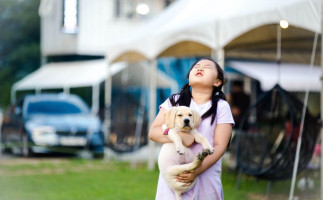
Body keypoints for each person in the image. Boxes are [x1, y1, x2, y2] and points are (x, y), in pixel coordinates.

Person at [149, 57, 234, 200]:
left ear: (217, 82)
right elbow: (153, 132)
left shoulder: (221, 107)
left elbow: (220, 146)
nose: (200, 68)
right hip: (174, 178)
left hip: (205, 179)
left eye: (207, 67)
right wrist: (181, 137)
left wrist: (196, 170)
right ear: (188, 79)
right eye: (196, 66)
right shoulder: (174, 101)